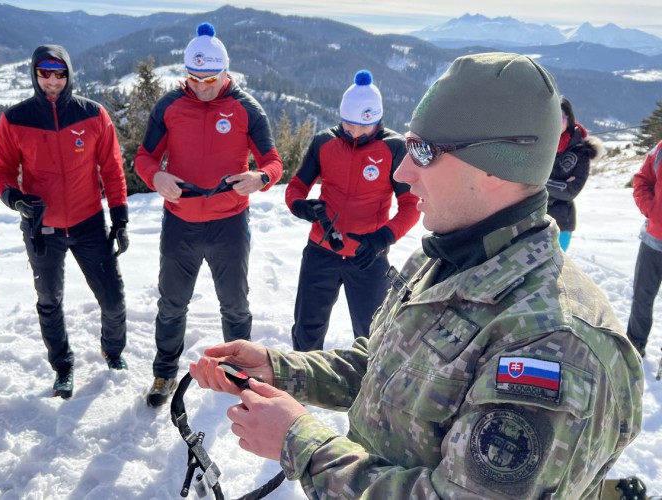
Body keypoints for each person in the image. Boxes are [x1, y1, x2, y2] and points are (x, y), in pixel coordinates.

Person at [189, 53, 643, 499]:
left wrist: (300, 443)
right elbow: (382, 368)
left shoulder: (551, 343)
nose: (403, 173)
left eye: (423, 152)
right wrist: (277, 367)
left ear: (495, 169)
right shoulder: (445, 259)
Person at [135, 23, 283, 407]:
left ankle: (238, 373)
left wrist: (260, 177)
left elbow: (273, 161)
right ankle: (164, 372)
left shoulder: (246, 108)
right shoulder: (170, 106)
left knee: (234, 304)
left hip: (228, 224)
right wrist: (157, 175)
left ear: (225, 72)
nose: (201, 87)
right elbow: (144, 157)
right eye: (194, 78)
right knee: (171, 302)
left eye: (210, 79)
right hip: (180, 223)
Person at [0, 45, 129, 400]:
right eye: (44, 73)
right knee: (49, 299)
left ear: (69, 74)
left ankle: (112, 352)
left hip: (88, 223)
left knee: (112, 299)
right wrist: (15, 199)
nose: (52, 80)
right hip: (42, 227)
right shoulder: (15, 119)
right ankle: (63, 365)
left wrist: (120, 217)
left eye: (59, 73)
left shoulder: (93, 115)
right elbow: (1, 171)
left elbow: (112, 169)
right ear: (34, 75)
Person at [286, 70, 419, 351]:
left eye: (364, 126)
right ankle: (300, 389)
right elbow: (296, 186)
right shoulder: (324, 142)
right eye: (349, 126)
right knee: (306, 331)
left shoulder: (393, 148)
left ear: (377, 120)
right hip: (321, 251)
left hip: (368, 256)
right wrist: (301, 207)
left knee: (374, 336)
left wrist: (382, 238)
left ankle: (368, 393)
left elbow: (411, 206)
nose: (356, 133)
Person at [546, 97, 603, 251]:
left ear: (569, 119)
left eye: (561, 117)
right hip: (533, 218)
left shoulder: (581, 151)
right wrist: (559, 184)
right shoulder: (540, 145)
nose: (556, 122)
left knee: (556, 269)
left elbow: (570, 191)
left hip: (561, 221)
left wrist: (541, 181)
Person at [627, 138, 662, 358]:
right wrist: (652, 210)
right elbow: (641, 180)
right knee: (642, 297)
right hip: (654, 240)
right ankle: (634, 347)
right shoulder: (661, 148)